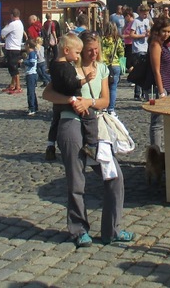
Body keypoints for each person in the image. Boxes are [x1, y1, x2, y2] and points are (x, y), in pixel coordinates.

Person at [42, 33, 135, 248]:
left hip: (96, 125)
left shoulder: (101, 68)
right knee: (76, 180)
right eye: (89, 50)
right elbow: (47, 94)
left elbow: (105, 101)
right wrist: (71, 100)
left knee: (114, 176)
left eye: (96, 49)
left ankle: (112, 230)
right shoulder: (68, 67)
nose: (94, 53)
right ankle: (79, 230)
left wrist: (89, 102)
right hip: (71, 122)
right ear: (80, 50)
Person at [48, 33, 98, 159]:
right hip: (72, 100)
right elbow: (71, 84)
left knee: (55, 122)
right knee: (90, 117)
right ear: (66, 50)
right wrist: (85, 80)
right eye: (76, 53)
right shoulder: (67, 67)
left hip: (58, 102)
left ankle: (50, 145)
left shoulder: (53, 64)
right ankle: (91, 145)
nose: (77, 57)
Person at [147, 16, 170, 152]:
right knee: (157, 123)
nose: (166, 34)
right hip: (159, 88)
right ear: (157, 30)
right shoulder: (156, 45)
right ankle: (155, 154)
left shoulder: (163, 44)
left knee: (160, 123)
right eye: (164, 31)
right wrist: (161, 92)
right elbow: (156, 70)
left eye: (169, 31)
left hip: (166, 86)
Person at [101, 22, 124, 116]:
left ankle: (104, 107)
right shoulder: (118, 40)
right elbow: (121, 53)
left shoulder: (102, 40)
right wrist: (123, 66)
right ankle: (111, 109)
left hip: (103, 65)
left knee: (103, 87)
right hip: (115, 64)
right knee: (113, 88)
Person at [130, 4, 151, 100]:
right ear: (140, 12)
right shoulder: (136, 21)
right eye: (144, 14)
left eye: (147, 14)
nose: (146, 16)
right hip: (137, 49)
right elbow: (131, 35)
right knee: (139, 71)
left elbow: (148, 31)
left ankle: (144, 93)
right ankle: (137, 94)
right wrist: (142, 36)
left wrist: (149, 34)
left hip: (145, 48)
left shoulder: (147, 21)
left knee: (144, 72)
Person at [1, 8, 25, 95]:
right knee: (12, 67)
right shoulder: (20, 23)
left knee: (13, 68)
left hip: (12, 48)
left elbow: (3, 32)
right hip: (16, 47)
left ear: (12, 15)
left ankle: (18, 86)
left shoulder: (13, 24)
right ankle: (12, 85)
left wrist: (6, 29)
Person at [24, 38, 40, 116]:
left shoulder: (32, 53)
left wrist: (24, 62)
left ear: (28, 45)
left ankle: (32, 108)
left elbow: (32, 63)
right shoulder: (32, 53)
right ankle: (35, 107)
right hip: (31, 74)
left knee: (30, 92)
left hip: (31, 74)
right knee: (32, 92)